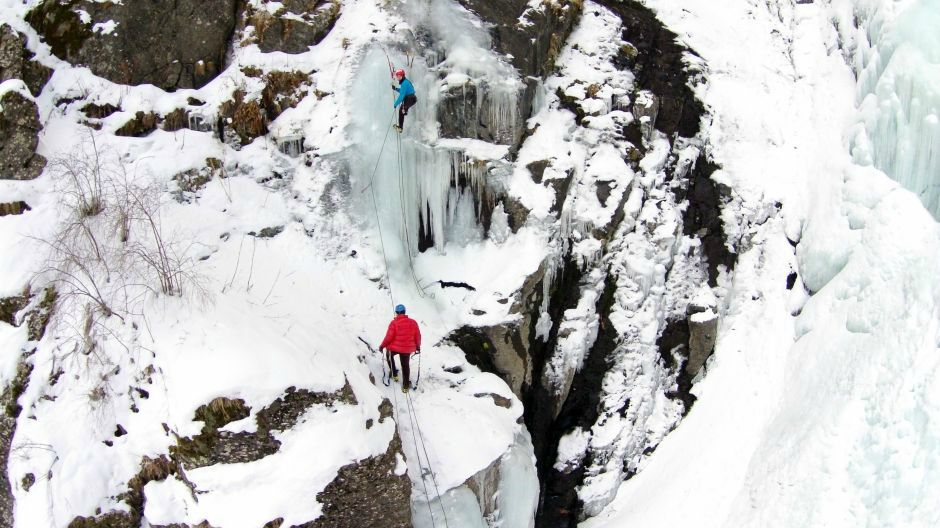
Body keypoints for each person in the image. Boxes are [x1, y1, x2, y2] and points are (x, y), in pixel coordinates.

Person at [379, 304, 421, 392]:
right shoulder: (413, 322)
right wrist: (418, 346)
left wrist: (382, 346)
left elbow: (388, 337)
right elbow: (418, 336)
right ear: (404, 312)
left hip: (395, 348)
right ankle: (405, 387)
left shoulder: (394, 323)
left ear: (397, 313)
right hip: (408, 349)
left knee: (389, 355)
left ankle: (394, 374)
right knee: (405, 365)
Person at [391, 69, 417, 133]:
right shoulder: (404, 82)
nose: (398, 78)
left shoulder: (404, 83)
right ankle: (405, 112)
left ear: (402, 76)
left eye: (399, 76)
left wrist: (395, 104)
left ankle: (400, 128)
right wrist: (396, 89)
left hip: (410, 99)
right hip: (409, 99)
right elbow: (403, 91)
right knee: (402, 110)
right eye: (397, 76)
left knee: (401, 110)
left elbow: (402, 96)